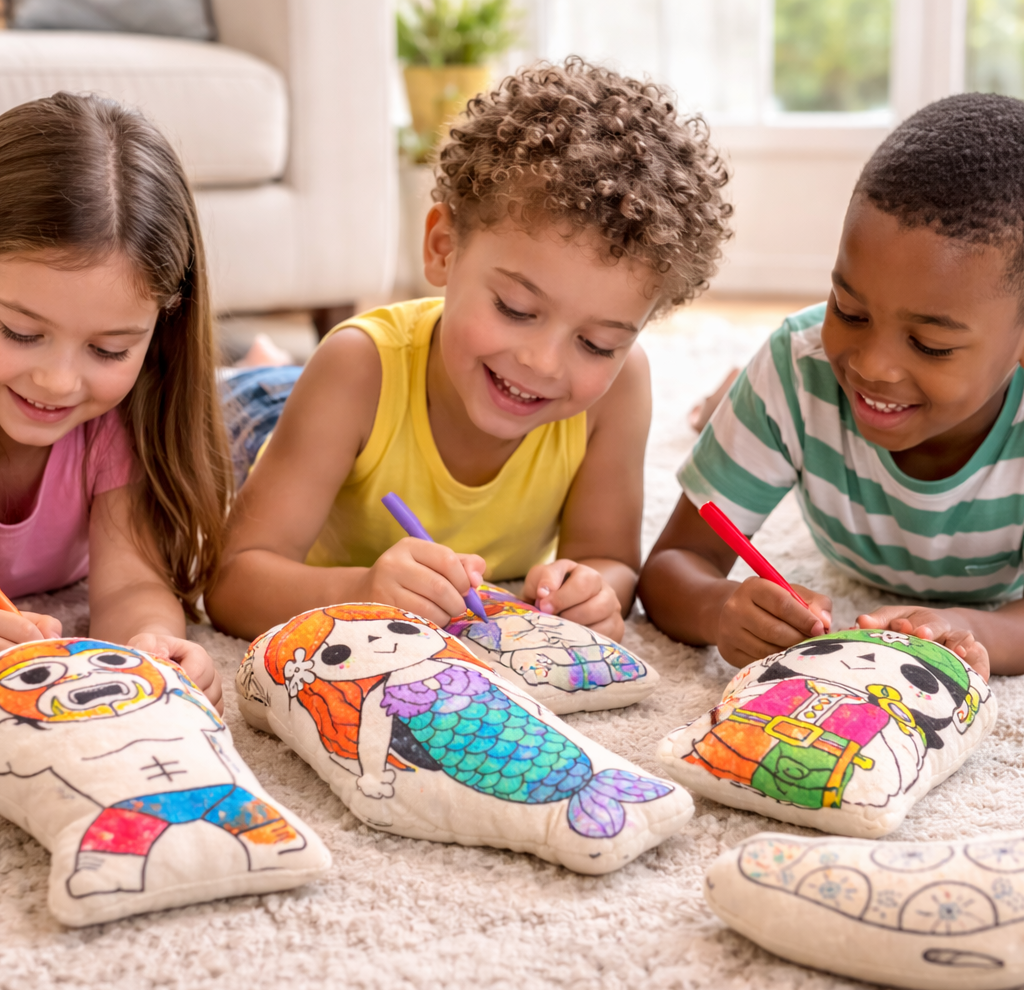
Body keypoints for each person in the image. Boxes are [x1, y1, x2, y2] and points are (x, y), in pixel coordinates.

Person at [206, 58, 733, 643]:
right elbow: (231, 584)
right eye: (515, 308)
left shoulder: (620, 389)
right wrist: (357, 593)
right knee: (241, 403)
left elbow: (610, 561)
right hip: (283, 412)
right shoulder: (356, 368)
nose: (543, 362)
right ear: (442, 248)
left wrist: (592, 589)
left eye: (597, 343)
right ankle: (261, 366)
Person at [638, 92, 1024, 681]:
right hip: (790, 388)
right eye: (848, 309)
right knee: (789, 370)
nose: (873, 366)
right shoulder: (799, 369)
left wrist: (976, 631)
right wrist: (722, 609)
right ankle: (731, 395)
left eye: (931, 345)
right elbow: (672, 564)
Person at [0, 92, 232, 709]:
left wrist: (150, 644)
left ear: (158, 338)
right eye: (19, 333)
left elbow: (131, 581)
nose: (55, 381)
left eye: (107, 350)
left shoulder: (119, 421)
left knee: (261, 401)